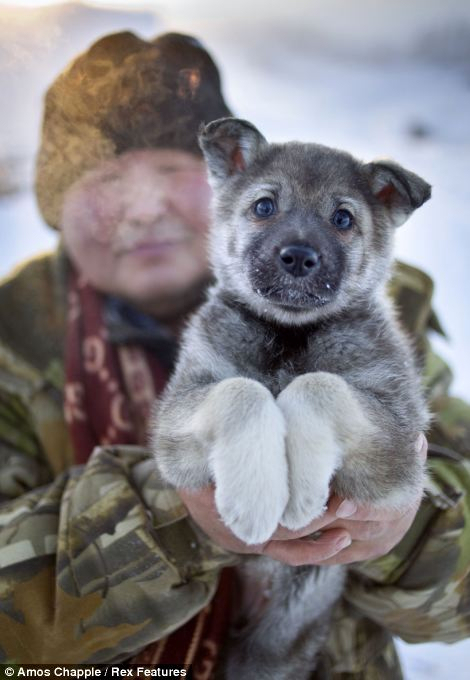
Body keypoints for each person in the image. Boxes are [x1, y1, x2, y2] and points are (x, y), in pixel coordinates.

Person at [0, 30, 469, 677]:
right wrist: (174, 515)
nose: (143, 208)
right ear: (57, 204)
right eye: (106, 178)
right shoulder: (9, 345)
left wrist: (401, 525)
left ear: (220, 174)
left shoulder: (395, 318)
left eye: (169, 171)